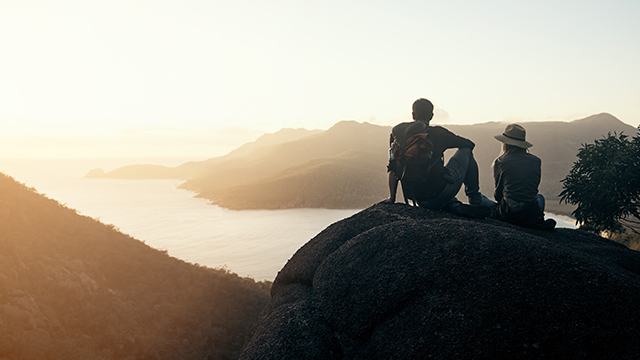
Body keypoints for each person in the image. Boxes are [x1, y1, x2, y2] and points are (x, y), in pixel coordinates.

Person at [381, 98, 490, 219]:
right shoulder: (438, 133)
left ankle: (454, 205)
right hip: (440, 193)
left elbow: (392, 167)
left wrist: (392, 198)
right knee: (466, 152)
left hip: (416, 198)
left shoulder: (397, 135)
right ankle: (475, 200)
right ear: (431, 115)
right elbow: (470, 145)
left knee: (441, 196)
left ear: (413, 115)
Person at [490, 123, 556, 230]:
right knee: (540, 197)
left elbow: (498, 195)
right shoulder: (536, 161)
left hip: (510, 213)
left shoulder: (500, 162)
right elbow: (533, 189)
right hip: (531, 213)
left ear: (505, 143)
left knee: (482, 200)